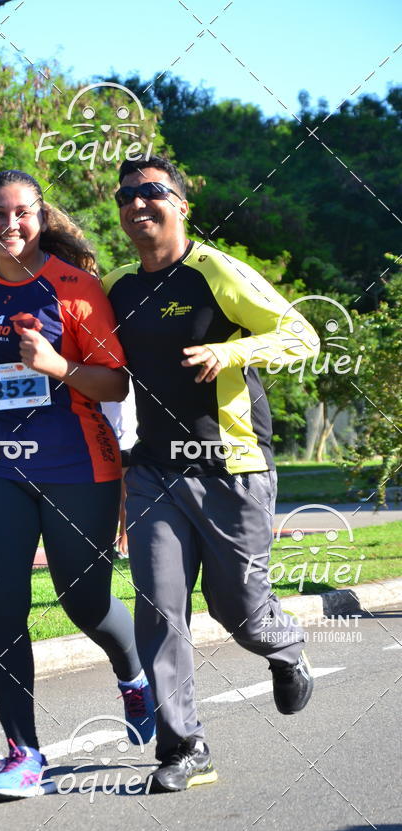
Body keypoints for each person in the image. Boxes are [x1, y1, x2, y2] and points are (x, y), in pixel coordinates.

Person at [102, 155, 319, 793]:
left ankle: (284, 648)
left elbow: (300, 333)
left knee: (241, 612)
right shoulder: (117, 286)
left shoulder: (214, 271)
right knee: (159, 609)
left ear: (181, 205)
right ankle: (184, 747)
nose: (138, 205)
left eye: (153, 193)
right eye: (127, 196)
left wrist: (232, 349)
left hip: (231, 469)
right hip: (153, 474)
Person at [0, 169, 154, 803]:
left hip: (77, 463)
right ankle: (23, 753)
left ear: (40, 215)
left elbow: (116, 383)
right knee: (1, 610)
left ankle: (134, 673)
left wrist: (57, 365)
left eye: (22, 213)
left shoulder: (76, 288)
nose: (10, 225)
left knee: (82, 599)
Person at [101, 382, 138, 558]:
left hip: (125, 438)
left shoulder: (126, 375)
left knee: (125, 492)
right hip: (101, 437)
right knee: (106, 493)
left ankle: (125, 540)